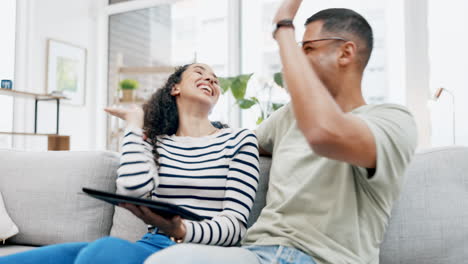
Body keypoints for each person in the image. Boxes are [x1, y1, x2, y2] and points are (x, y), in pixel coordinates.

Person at [144, 1, 417, 264]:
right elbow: (238, 143)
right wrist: (153, 129)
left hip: (324, 258)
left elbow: (324, 134)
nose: (298, 56)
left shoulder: (392, 121)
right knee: (171, 259)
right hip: (257, 253)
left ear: (345, 53)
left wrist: (283, 27)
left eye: (308, 48)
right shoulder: (289, 115)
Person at [0, 63, 259, 264]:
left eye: (215, 78)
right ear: (175, 88)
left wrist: (180, 228)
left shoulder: (239, 140)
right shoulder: (156, 142)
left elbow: (235, 226)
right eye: (200, 72)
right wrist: (135, 125)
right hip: (153, 245)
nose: (211, 79)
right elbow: (132, 189)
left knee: (105, 249)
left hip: (204, 253)